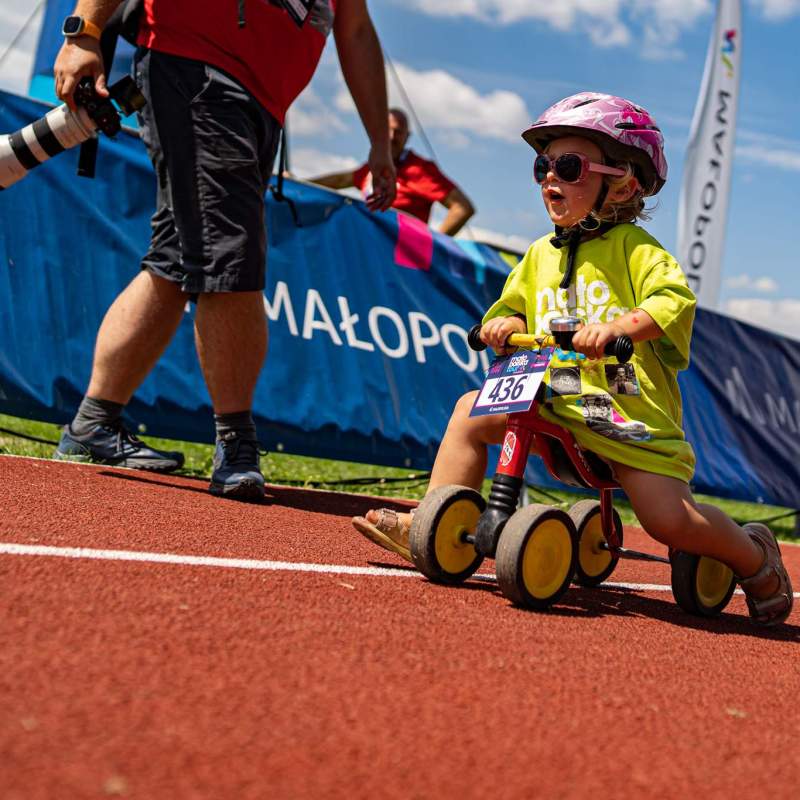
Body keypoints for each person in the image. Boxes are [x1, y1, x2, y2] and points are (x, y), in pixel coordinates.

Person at [352, 92, 794, 627]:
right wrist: (504, 324)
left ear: (623, 183)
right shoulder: (540, 254)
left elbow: (672, 302)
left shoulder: (636, 249)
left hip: (625, 416)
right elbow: (512, 307)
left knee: (669, 522)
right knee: (471, 410)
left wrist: (618, 327)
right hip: (556, 397)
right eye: (543, 166)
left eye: (568, 167)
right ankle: (434, 514)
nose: (548, 178)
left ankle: (753, 556)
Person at [51, 0, 396, 501]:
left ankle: (93, 423)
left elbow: (356, 30)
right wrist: (84, 32)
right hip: (196, 65)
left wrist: (380, 143)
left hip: (260, 99)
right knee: (230, 250)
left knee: (176, 258)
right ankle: (236, 444)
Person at [310, 108, 475, 236]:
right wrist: (300, 184)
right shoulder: (375, 166)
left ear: (407, 136)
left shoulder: (419, 169)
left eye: (398, 131)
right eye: (387, 130)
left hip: (400, 257)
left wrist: (432, 246)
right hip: (368, 246)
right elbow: (341, 180)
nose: (391, 136)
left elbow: (462, 208)